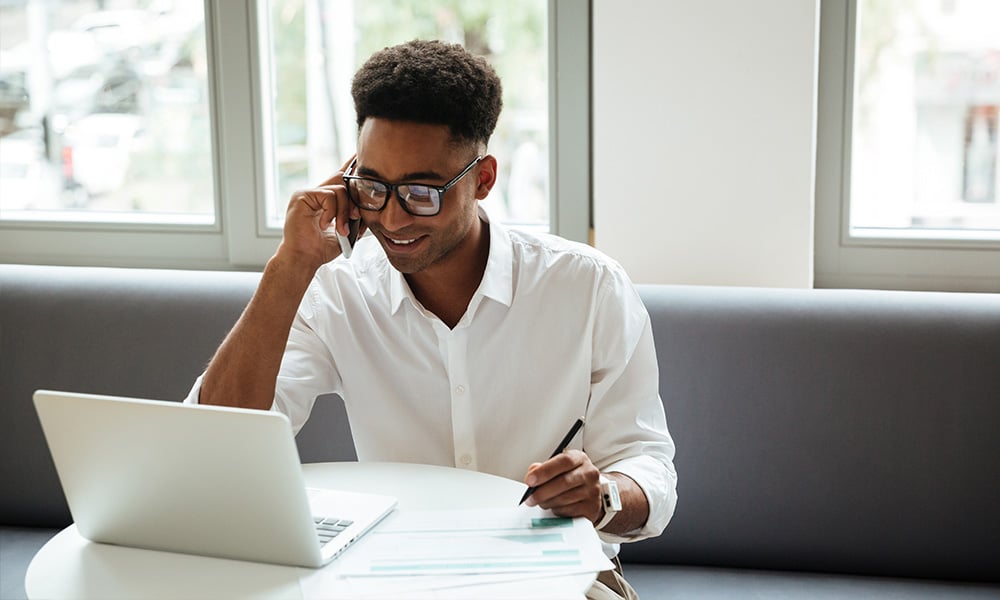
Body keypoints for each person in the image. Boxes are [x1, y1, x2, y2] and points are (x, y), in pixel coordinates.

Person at [186, 39, 676, 599]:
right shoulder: (335, 290)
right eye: (372, 186)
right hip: (392, 579)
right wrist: (289, 267)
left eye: (422, 191)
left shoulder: (587, 287)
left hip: (556, 579)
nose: (392, 217)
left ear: (483, 179)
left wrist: (604, 495)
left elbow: (649, 466)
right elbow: (217, 447)